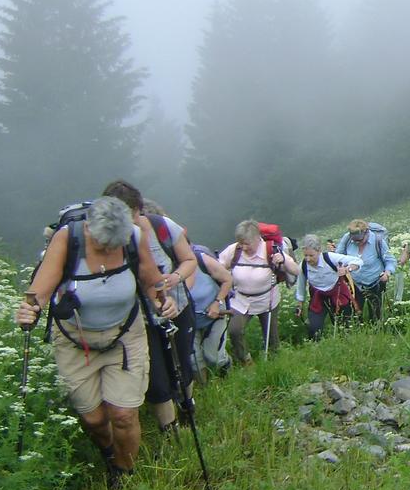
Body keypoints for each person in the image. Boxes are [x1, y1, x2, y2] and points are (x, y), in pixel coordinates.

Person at [15, 196, 171, 489]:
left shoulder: (133, 238)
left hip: (124, 337)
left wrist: (164, 302)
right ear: (88, 229)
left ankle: (124, 473)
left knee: (123, 414)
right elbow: (40, 291)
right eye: (103, 245)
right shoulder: (67, 239)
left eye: (115, 245)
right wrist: (29, 310)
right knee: (94, 419)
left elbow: (151, 281)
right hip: (76, 341)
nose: (110, 250)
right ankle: (110, 454)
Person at [103, 182, 199, 438]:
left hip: (176, 306)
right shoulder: (107, 237)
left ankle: (188, 407)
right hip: (137, 319)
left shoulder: (162, 227)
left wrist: (175, 277)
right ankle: (170, 431)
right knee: (156, 377)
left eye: (130, 216)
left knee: (182, 366)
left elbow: (190, 260)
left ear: (139, 210)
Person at [219, 220, 299, 364]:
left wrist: (283, 262)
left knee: (271, 337)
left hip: (267, 299)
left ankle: (275, 364)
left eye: (246, 243)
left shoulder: (271, 249)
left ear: (257, 238)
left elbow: (295, 270)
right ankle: (245, 360)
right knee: (235, 330)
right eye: (240, 243)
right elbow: (219, 266)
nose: (243, 247)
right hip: (241, 299)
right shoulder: (234, 250)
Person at [296, 234, 363, 337]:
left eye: (311, 255)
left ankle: (346, 345)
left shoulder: (330, 258)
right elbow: (301, 285)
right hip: (318, 297)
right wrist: (300, 304)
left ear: (319, 251)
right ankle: (316, 347)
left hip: (338, 293)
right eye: (305, 255)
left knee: (344, 327)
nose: (308, 259)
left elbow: (358, 261)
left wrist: (347, 269)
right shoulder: (303, 265)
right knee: (313, 328)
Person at [187, 242, 234, 380]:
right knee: (194, 359)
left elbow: (227, 279)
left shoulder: (201, 259)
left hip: (215, 314)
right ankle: (205, 390)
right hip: (190, 319)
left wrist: (216, 303)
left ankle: (226, 366)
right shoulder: (166, 267)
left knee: (212, 357)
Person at [335, 220, 395, 323]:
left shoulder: (378, 241)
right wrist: (341, 268)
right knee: (356, 315)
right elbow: (338, 257)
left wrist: (387, 273)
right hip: (355, 285)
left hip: (375, 283)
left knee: (376, 316)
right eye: (355, 240)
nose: (357, 242)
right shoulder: (347, 239)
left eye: (360, 240)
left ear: (366, 233)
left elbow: (390, 260)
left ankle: (377, 332)